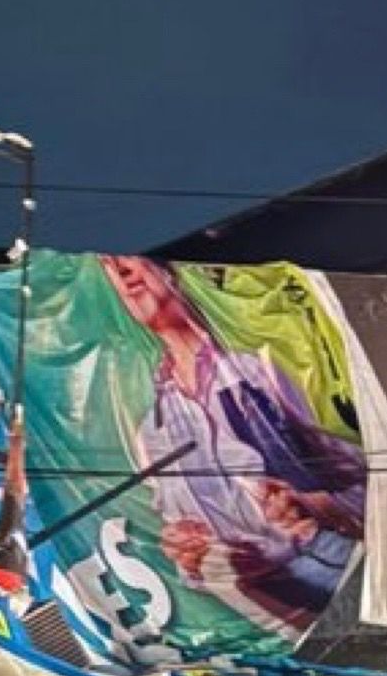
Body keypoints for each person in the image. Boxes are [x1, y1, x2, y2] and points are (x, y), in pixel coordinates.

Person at [97, 255, 365, 639]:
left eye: (127, 257)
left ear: (173, 270)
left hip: (339, 571)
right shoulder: (153, 428)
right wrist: (184, 550)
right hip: (263, 612)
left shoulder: (263, 371)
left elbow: (382, 482)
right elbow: (181, 538)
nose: (120, 271)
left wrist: (316, 505)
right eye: (107, 264)